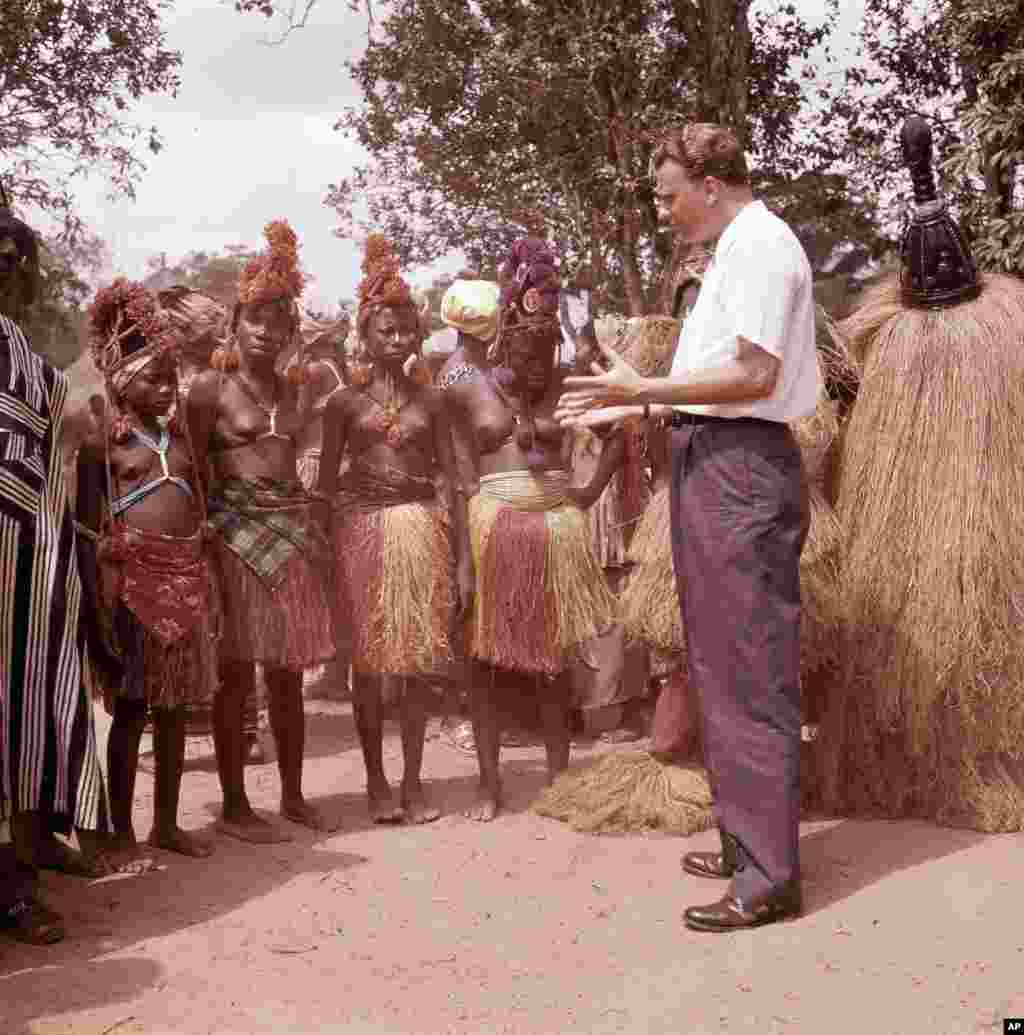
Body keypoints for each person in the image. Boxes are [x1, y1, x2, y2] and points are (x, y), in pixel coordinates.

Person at [557, 123, 820, 932]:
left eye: (669, 194)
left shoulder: (764, 246)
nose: (663, 210)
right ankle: (749, 842)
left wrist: (642, 392)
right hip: (714, 457)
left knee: (747, 666)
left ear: (712, 183)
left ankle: (769, 875)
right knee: (716, 660)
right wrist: (636, 396)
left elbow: (753, 374)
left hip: (741, 464)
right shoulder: (734, 251)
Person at [450, 237, 617, 821]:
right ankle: (489, 785)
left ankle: (558, 779)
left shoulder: (567, 379)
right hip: (492, 526)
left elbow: (621, 428)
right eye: (524, 359)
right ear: (503, 346)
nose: (534, 370)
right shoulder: (466, 383)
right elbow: (448, 458)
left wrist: (590, 491)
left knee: (553, 661)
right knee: (487, 662)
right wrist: (463, 555)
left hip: (554, 527)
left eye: (546, 356)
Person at [188, 219, 336, 842]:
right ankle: (234, 804)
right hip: (230, 537)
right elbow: (195, 472)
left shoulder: (296, 391)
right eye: (255, 318)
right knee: (234, 676)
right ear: (234, 323)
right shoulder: (209, 391)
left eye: (278, 321)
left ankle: (295, 796)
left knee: (288, 675)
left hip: (290, 533)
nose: (265, 330)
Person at [318, 234, 472, 824]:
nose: (399, 339)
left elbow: (454, 483)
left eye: (407, 329)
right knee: (369, 666)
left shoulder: (432, 403)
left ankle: (412, 783)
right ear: (364, 334)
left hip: (420, 534)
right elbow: (327, 489)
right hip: (362, 535)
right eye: (386, 330)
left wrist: (460, 562)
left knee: (415, 665)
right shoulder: (342, 405)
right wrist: (330, 560)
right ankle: (376, 784)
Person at [76, 278, 218, 871]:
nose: (165, 388)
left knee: (175, 708)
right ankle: (120, 829)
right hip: (133, 586)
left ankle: (165, 824)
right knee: (133, 707)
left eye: (170, 377)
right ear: (120, 379)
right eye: (153, 378)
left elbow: (201, 501)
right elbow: (86, 524)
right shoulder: (105, 443)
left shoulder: (178, 437)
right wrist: (101, 589)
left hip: (185, 582)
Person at [0, 193, 109, 944]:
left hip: (28, 574)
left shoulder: (38, 369)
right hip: (26, 564)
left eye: (14, 270)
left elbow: (75, 454)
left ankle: (18, 878)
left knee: (25, 718)